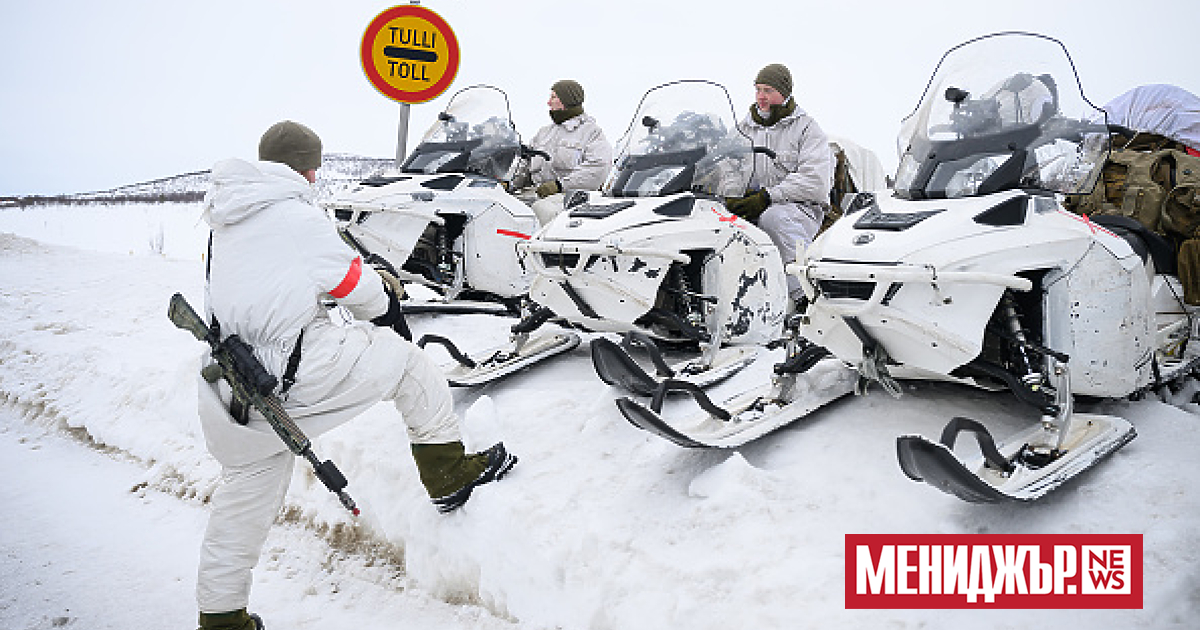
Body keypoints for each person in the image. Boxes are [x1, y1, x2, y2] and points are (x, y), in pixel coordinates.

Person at [194, 121, 517, 630]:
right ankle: (448, 475)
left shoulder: (225, 219)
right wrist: (384, 300)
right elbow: (358, 289)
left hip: (231, 382)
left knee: (242, 503)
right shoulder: (295, 217)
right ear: (308, 167)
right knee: (410, 366)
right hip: (295, 370)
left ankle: (220, 619)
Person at [726, 63, 835, 302]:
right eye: (758, 89)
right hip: (755, 204)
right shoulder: (743, 129)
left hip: (800, 209)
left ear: (784, 94)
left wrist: (767, 197)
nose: (761, 97)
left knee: (773, 219)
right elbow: (726, 167)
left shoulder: (806, 128)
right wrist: (731, 196)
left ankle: (803, 295)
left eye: (768, 90)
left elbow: (814, 179)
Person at [526, 79, 613, 225]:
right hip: (537, 194)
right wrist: (508, 182)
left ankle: (544, 247)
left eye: (553, 97)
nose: (548, 102)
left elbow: (598, 169)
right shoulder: (543, 133)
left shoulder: (591, 132)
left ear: (567, 100)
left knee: (541, 209)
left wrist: (560, 186)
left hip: (571, 199)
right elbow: (525, 162)